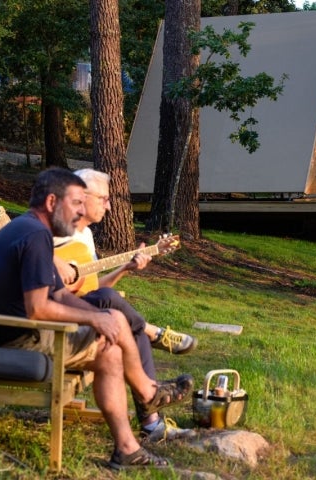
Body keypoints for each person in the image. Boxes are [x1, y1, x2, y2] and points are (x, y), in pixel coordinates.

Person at [0, 167, 193, 469]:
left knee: (112, 322)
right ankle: (145, 400)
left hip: (22, 329)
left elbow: (60, 294)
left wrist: (102, 317)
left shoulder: (32, 229)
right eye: (75, 204)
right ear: (52, 202)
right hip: (15, 337)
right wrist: (95, 321)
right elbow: (38, 309)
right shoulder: (35, 237)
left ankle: (131, 440)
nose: (79, 214)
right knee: (108, 349)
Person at [52, 168, 196, 441]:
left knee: (125, 320)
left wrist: (126, 268)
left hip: (83, 308)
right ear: (81, 198)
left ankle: (152, 425)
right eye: (104, 198)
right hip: (59, 315)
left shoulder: (86, 237)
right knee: (121, 315)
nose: (109, 205)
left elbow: (94, 288)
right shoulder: (53, 231)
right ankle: (153, 335)